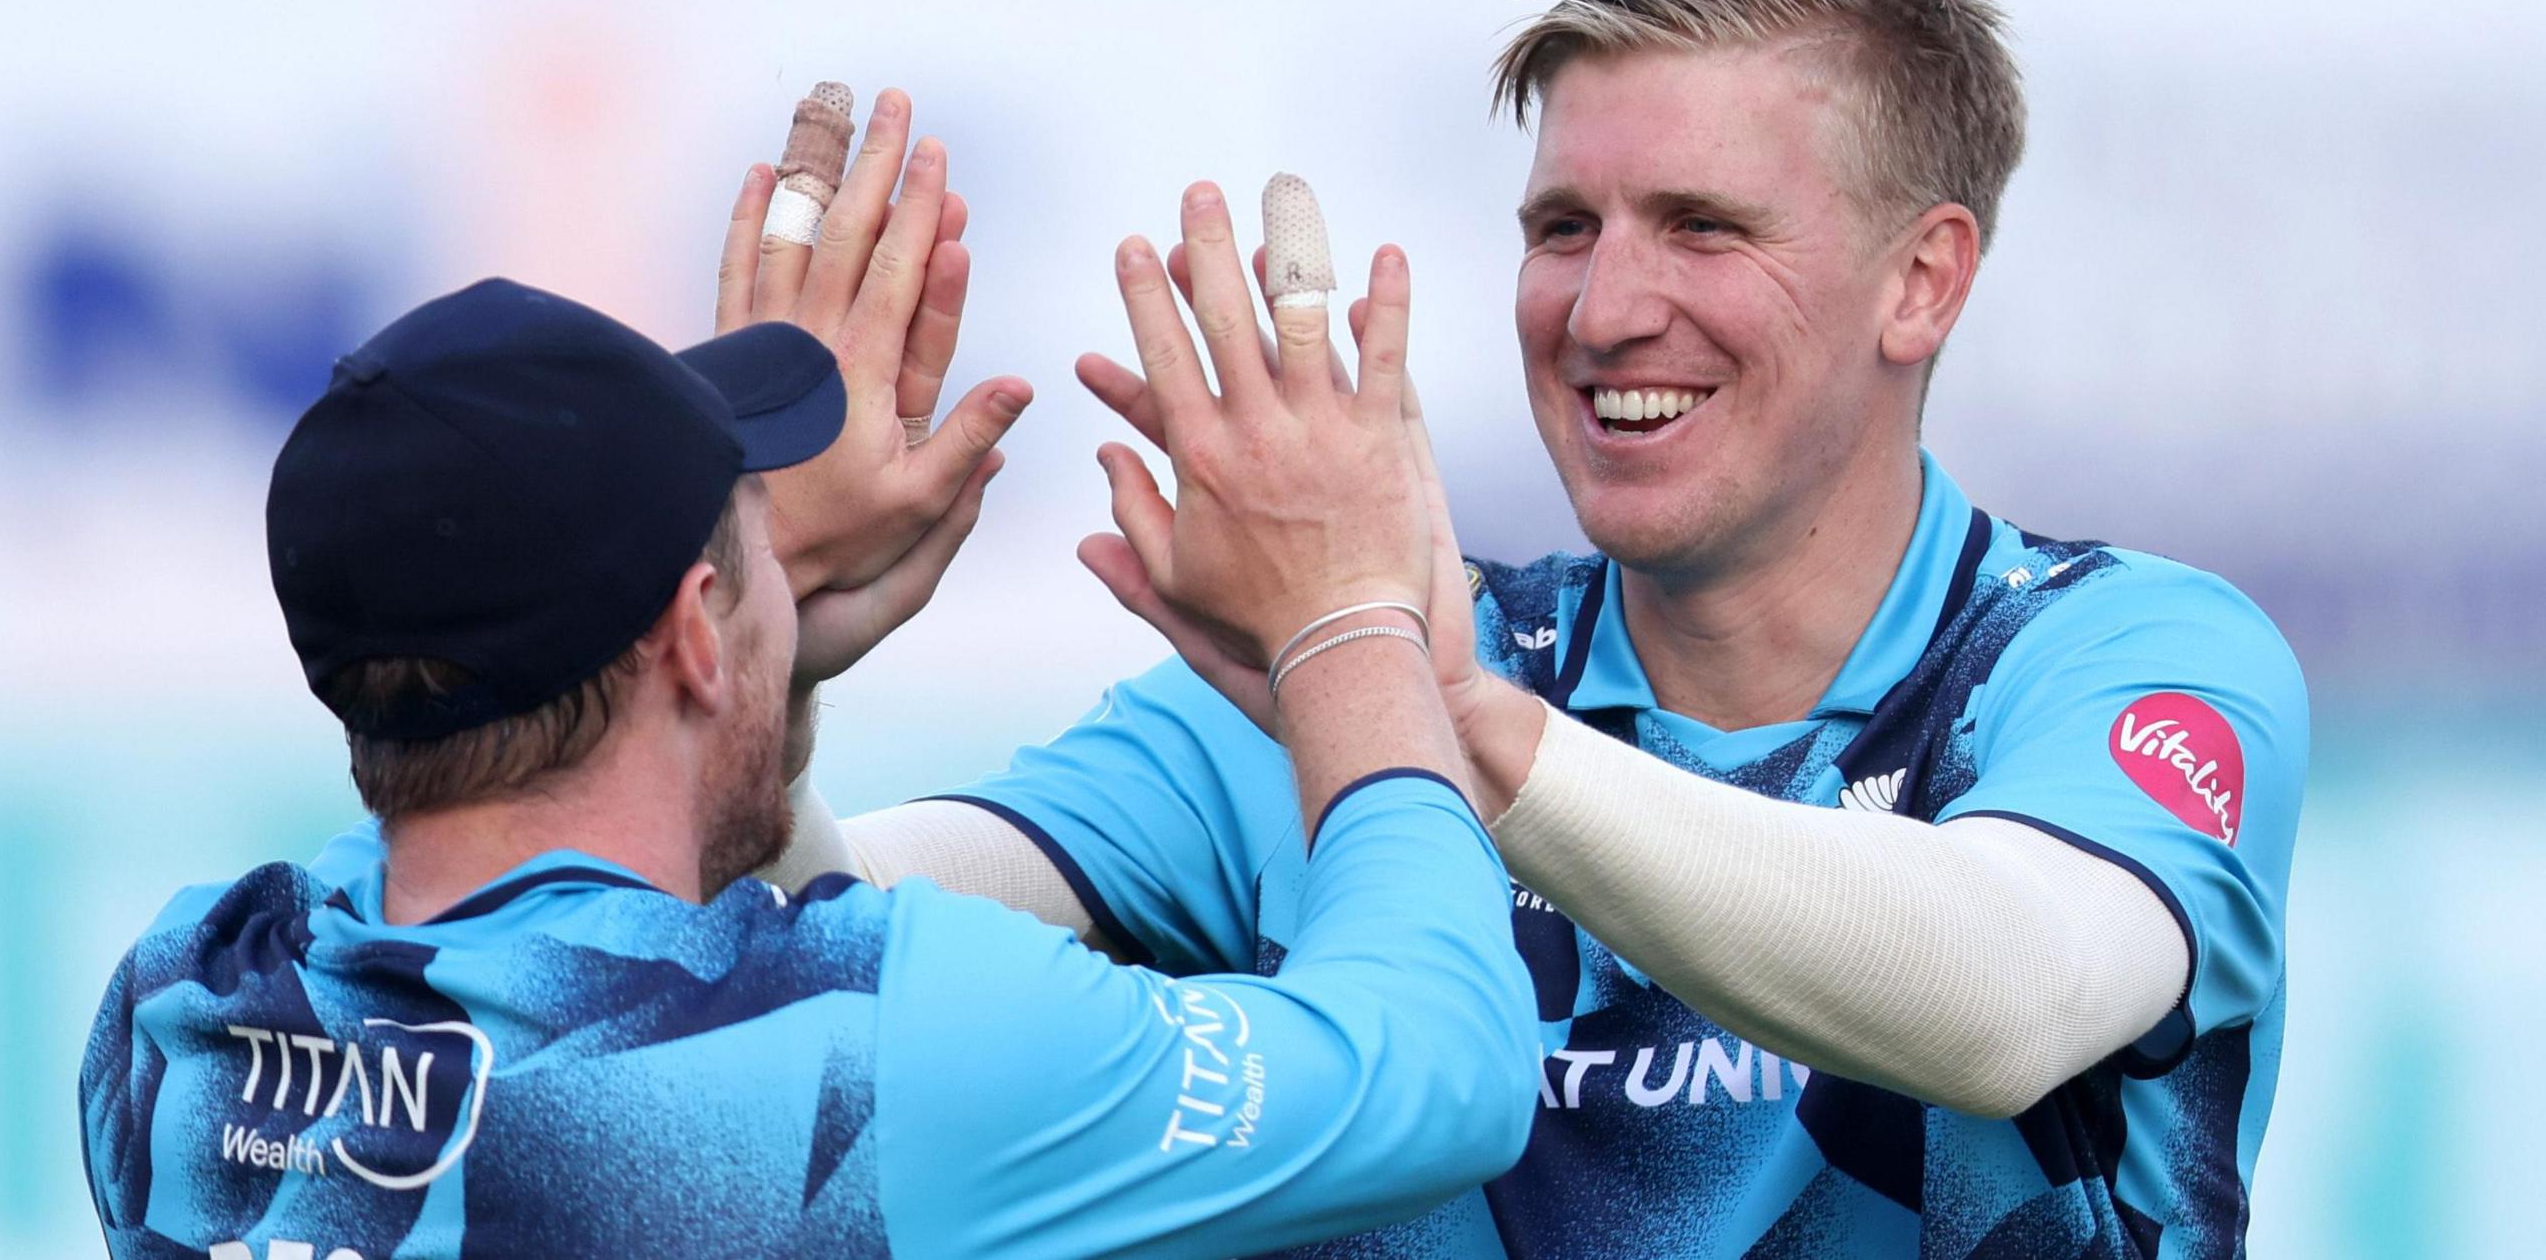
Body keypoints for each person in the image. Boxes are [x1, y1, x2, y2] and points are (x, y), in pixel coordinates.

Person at [782, 0, 2309, 1257]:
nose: (1603, 308)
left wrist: (1428, 711)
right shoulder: (1318, 672)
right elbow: (796, 940)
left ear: (1924, 278)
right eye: (1562, 228)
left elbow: (2003, 1001)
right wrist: (767, 655)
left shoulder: (2118, 651)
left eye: (1704, 227)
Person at [76, 93, 1538, 1259]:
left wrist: (748, 649)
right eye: (749, 540)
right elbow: (1435, 1072)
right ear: (693, 632)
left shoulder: (174, 1018)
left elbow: (497, 893)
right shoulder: (865, 1051)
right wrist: (1349, 615)